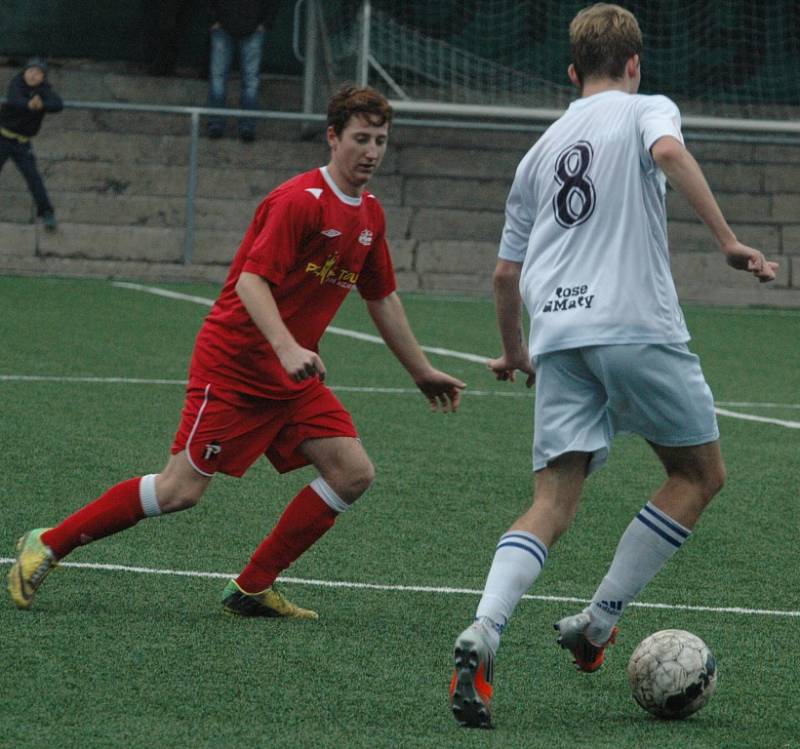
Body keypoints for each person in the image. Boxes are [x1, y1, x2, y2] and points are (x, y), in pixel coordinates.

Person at [8, 84, 466, 620]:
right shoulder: (299, 201)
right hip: (237, 365)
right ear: (332, 137)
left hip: (293, 375)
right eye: (360, 138)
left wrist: (421, 371)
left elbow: (382, 296)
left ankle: (252, 586)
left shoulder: (369, 215)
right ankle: (49, 543)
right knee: (179, 490)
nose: (371, 151)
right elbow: (252, 282)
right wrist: (286, 344)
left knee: (351, 472)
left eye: (380, 140)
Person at [448, 3, 778, 729]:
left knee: (552, 501)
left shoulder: (540, 150)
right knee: (699, 473)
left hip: (559, 334)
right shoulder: (646, 108)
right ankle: (598, 620)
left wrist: (513, 351)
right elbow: (667, 154)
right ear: (634, 65)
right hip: (634, 323)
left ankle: (486, 626)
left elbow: (506, 275)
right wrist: (726, 240)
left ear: (572, 74)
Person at [0, 58, 63, 232]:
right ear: (25, 71)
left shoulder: (44, 91)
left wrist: (42, 105)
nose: (33, 75)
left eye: (38, 73)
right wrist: (29, 105)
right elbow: (14, 99)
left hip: (22, 143)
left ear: (43, 77)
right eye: (31, 71)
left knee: (34, 179)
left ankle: (47, 213)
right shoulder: (17, 82)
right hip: (2, 138)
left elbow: (58, 104)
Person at [206, 0, 279, 142]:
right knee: (245, 80)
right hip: (242, 25)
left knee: (222, 78)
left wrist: (265, 23)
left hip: (237, 25)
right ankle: (242, 125)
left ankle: (221, 123)